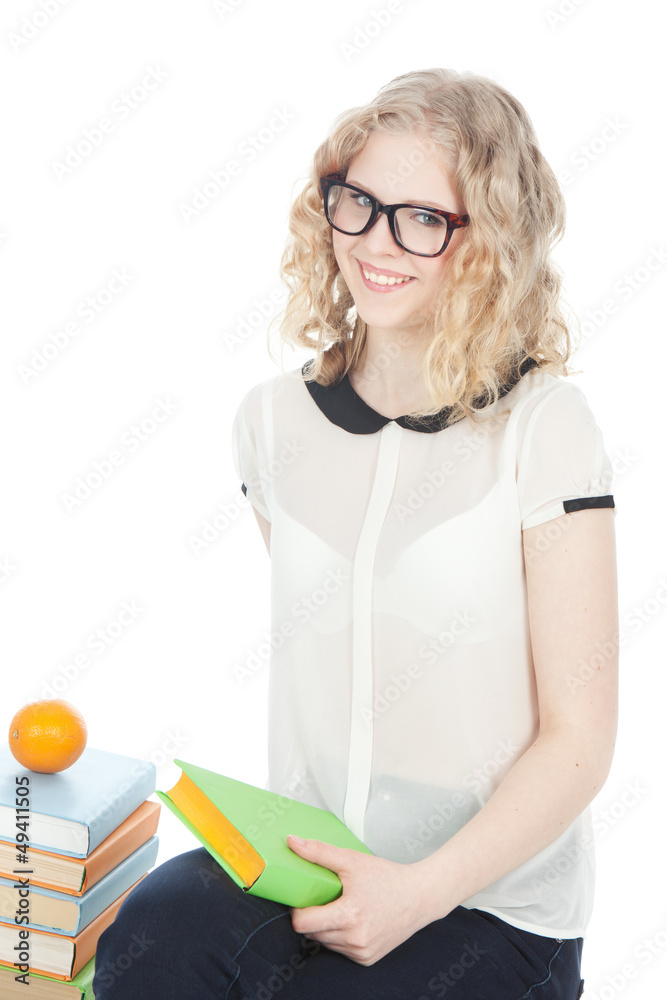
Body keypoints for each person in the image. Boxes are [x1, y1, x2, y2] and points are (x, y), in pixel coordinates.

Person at [94, 67, 618, 999]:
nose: (378, 243)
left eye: (422, 218)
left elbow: (580, 740)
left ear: (487, 239)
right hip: (307, 861)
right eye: (358, 204)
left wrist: (418, 894)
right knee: (153, 935)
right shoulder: (270, 424)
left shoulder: (546, 430)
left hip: (486, 905)